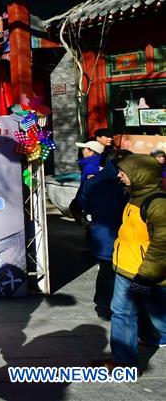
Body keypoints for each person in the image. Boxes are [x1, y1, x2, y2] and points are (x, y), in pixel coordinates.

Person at [106, 154, 166, 368]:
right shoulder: (133, 196)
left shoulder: (157, 203)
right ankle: (128, 358)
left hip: (142, 271)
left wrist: (146, 275)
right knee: (131, 312)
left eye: (125, 171)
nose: (120, 175)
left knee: (130, 313)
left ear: (139, 174)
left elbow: (162, 245)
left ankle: (124, 364)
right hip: (126, 267)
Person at [77, 149, 132, 319]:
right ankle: (116, 306)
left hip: (101, 234)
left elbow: (80, 203)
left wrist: (87, 223)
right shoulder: (124, 184)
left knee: (106, 270)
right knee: (121, 273)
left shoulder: (93, 182)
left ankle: (102, 303)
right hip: (120, 234)